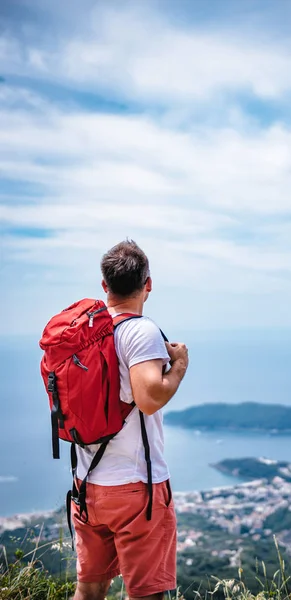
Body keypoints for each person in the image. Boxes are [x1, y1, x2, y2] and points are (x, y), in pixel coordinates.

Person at [72, 240, 189, 600]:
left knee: (89, 591)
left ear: (104, 285)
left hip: (87, 484)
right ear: (148, 285)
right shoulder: (140, 331)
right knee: (145, 594)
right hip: (137, 489)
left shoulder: (83, 333)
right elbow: (150, 398)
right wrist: (180, 367)